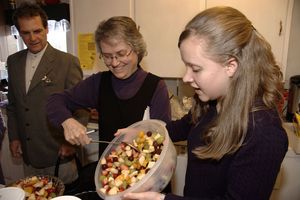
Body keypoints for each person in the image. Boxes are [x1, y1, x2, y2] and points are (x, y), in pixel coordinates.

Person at [119, 6, 289, 200]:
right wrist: (142, 134)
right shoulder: (210, 102)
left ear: (231, 66)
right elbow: (178, 129)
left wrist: (161, 199)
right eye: (186, 66)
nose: (186, 77)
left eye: (196, 68)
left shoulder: (264, 134)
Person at [47, 16, 171, 191]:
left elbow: (164, 140)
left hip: (149, 181)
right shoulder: (98, 83)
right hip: (111, 180)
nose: (114, 63)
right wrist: (67, 121)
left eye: (121, 54)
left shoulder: (155, 86)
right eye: (107, 56)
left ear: (137, 48)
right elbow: (55, 100)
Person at [6, 2, 87, 184]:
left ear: (46, 28)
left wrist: (70, 142)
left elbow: (81, 108)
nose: (32, 38)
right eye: (26, 33)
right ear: (19, 33)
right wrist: (15, 137)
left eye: (37, 31)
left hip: (58, 153)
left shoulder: (67, 62)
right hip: (28, 154)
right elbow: (13, 105)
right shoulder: (13, 62)